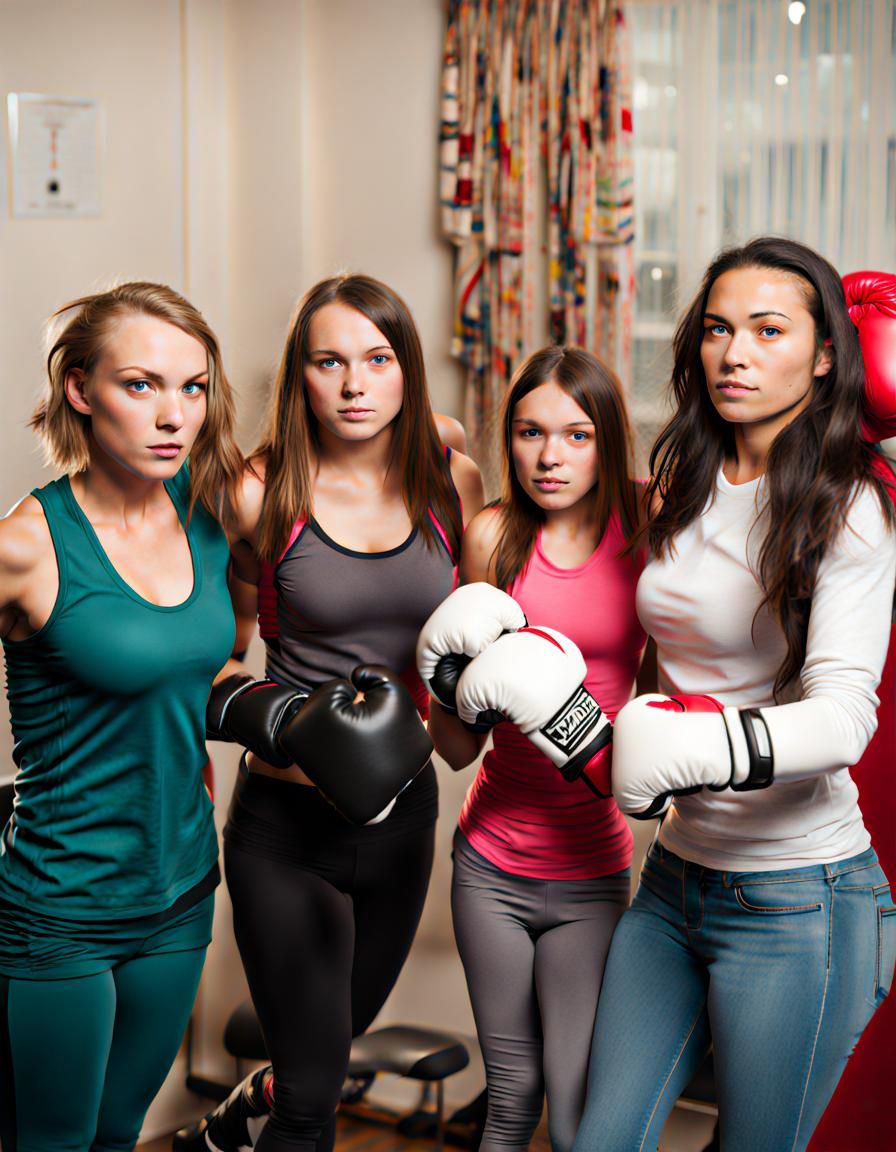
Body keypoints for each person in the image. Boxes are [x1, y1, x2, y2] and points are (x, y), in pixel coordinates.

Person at [570, 239, 896, 1152]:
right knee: (598, 1142)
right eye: (717, 329)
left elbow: (844, 719)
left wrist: (702, 747)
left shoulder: (849, 508)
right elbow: (656, 670)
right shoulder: (683, 483)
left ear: (825, 352)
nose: (734, 353)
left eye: (767, 329)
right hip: (676, 880)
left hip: (802, 897)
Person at [178, 273, 483, 1152]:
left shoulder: (450, 479)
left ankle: (248, 1105)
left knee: (328, 1052)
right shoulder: (254, 494)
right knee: (316, 1104)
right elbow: (218, 653)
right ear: (300, 375)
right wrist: (267, 714)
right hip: (285, 821)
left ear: (405, 369)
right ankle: (266, 1113)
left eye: (377, 360)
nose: (354, 385)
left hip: (401, 817)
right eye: (329, 362)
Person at [0, 282, 243, 1152]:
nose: (174, 414)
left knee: (117, 1133)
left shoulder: (208, 518)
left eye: (193, 387)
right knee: (52, 1142)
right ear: (79, 388)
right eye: (141, 384)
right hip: (61, 903)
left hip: (179, 888)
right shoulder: (27, 545)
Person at [416, 345, 651, 1152]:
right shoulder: (493, 537)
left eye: (576, 435)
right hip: (490, 866)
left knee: (577, 1105)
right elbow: (455, 749)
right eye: (528, 432)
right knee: (513, 1096)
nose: (549, 456)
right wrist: (445, 684)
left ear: (608, 439)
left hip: (591, 868)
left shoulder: (645, 530)